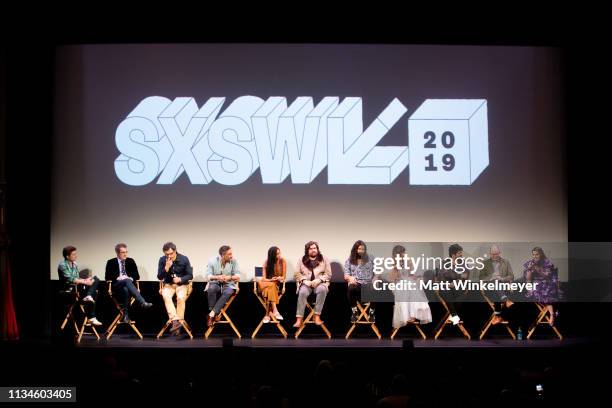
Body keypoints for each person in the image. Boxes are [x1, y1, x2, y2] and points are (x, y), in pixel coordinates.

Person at [104, 243, 152, 324]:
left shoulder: (130, 261)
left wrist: (130, 278)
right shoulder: (111, 262)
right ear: (118, 253)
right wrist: (118, 278)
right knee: (126, 281)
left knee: (126, 288)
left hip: (128, 286)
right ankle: (142, 302)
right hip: (117, 285)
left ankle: (126, 316)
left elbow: (137, 275)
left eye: (126, 252)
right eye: (123, 252)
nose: (125, 254)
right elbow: (107, 277)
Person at [57, 245, 103, 326]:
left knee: (95, 279)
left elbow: (77, 278)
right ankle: (91, 317)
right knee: (93, 292)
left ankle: (88, 297)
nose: (76, 256)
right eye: (73, 254)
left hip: (78, 286)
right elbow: (70, 279)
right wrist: (85, 282)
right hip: (68, 288)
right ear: (67, 256)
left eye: (76, 254)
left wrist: (86, 280)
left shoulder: (74, 264)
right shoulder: (62, 265)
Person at [388, 245, 432, 329]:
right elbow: (392, 279)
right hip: (399, 284)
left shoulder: (408, 260)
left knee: (411, 288)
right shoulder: (393, 263)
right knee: (404, 288)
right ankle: (405, 315)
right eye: (402, 252)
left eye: (404, 252)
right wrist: (396, 269)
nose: (404, 254)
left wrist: (409, 266)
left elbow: (412, 274)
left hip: (409, 281)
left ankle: (413, 314)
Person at [157, 242, 193, 335]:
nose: (169, 256)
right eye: (167, 254)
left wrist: (180, 279)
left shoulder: (184, 259)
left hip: (182, 285)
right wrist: (166, 268)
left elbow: (190, 275)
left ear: (175, 251)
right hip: (169, 285)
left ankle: (176, 323)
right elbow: (160, 277)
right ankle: (176, 321)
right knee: (165, 295)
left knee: (181, 297)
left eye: (171, 254)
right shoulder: (162, 260)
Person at [293, 241, 331, 327]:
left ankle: (317, 316)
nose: (313, 250)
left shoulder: (324, 259)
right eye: (311, 248)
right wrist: (305, 281)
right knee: (302, 292)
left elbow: (328, 274)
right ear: (307, 250)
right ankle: (299, 319)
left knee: (322, 289)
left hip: (320, 283)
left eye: (315, 248)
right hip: (306, 284)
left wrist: (319, 280)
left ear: (317, 249)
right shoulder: (301, 259)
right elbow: (296, 273)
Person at [523, 247, 562, 326]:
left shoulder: (547, 262)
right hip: (537, 283)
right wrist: (529, 270)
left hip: (548, 282)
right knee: (535, 289)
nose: (535, 256)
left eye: (537, 254)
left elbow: (547, 276)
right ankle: (553, 312)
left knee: (543, 292)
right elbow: (528, 279)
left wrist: (537, 268)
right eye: (533, 254)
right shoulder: (530, 263)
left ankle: (551, 314)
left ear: (541, 254)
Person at [205, 245, 240, 327]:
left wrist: (230, 277)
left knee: (229, 292)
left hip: (228, 283)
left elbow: (238, 276)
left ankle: (211, 315)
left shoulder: (234, 261)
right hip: (215, 282)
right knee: (212, 288)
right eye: (229, 254)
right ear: (222, 255)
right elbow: (208, 276)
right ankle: (214, 313)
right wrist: (217, 277)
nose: (231, 256)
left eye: (231, 254)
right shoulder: (212, 261)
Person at [479, 245, 514, 325]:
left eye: (496, 254)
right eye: (492, 254)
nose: (494, 256)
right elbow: (481, 277)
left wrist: (501, 278)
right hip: (490, 288)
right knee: (495, 282)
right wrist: (491, 277)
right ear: (490, 254)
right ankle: (506, 301)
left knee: (498, 286)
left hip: (503, 287)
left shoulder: (506, 262)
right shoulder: (485, 263)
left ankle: (498, 316)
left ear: (499, 253)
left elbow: (511, 276)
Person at [343, 240, 376, 323]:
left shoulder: (371, 258)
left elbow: (378, 271)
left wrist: (376, 279)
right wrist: (350, 278)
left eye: (363, 249)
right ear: (355, 250)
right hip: (356, 283)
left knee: (377, 288)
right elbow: (346, 275)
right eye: (359, 249)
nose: (361, 251)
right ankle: (355, 312)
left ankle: (371, 313)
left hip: (368, 283)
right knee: (351, 289)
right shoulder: (349, 260)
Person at [439, 244, 470, 325]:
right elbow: (443, 275)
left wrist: (456, 281)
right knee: (446, 292)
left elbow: (466, 275)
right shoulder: (445, 263)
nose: (461, 255)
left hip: (458, 287)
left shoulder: (463, 263)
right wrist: (459, 276)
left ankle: (453, 316)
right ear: (453, 254)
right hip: (446, 287)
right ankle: (455, 316)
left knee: (464, 294)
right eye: (459, 253)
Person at [259, 246, 286, 323]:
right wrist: (271, 279)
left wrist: (279, 278)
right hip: (265, 285)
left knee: (270, 288)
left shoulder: (282, 261)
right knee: (270, 285)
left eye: (279, 253)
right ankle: (275, 310)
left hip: (273, 286)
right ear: (272, 255)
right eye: (277, 254)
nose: (279, 255)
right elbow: (263, 279)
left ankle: (267, 315)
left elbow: (284, 276)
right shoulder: (266, 262)